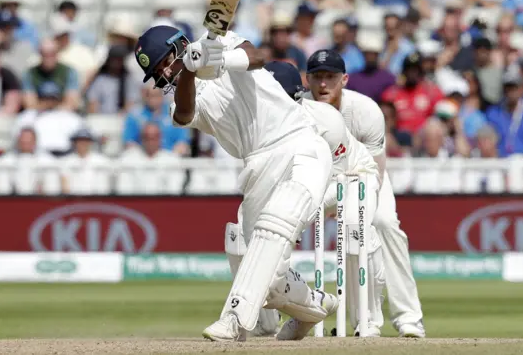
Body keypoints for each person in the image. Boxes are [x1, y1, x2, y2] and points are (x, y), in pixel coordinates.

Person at [133, 25, 338, 341]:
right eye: (157, 71)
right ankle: (316, 307)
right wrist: (189, 69)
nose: (163, 73)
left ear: (181, 44)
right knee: (270, 280)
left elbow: (256, 57)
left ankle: (234, 318)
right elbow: (186, 115)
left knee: (276, 225)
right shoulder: (181, 99)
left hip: (299, 142)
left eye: (164, 61)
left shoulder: (216, 42)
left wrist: (218, 60)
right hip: (257, 168)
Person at [230, 60, 385, 337]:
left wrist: (295, 219)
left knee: (353, 228)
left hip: (351, 176)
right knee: (241, 231)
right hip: (302, 184)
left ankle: (368, 321)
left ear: (297, 96)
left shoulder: (326, 120)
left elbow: (329, 176)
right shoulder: (255, 122)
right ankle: (265, 320)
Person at [304, 49, 425, 338]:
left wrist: (353, 210)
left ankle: (408, 318)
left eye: (330, 77)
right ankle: (268, 320)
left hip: (365, 177)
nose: (323, 84)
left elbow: (376, 172)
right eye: (317, 77)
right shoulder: (298, 110)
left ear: (344, 79)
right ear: (306, 80)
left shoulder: (366, 111)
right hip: (318, 182)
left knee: (383, 225)